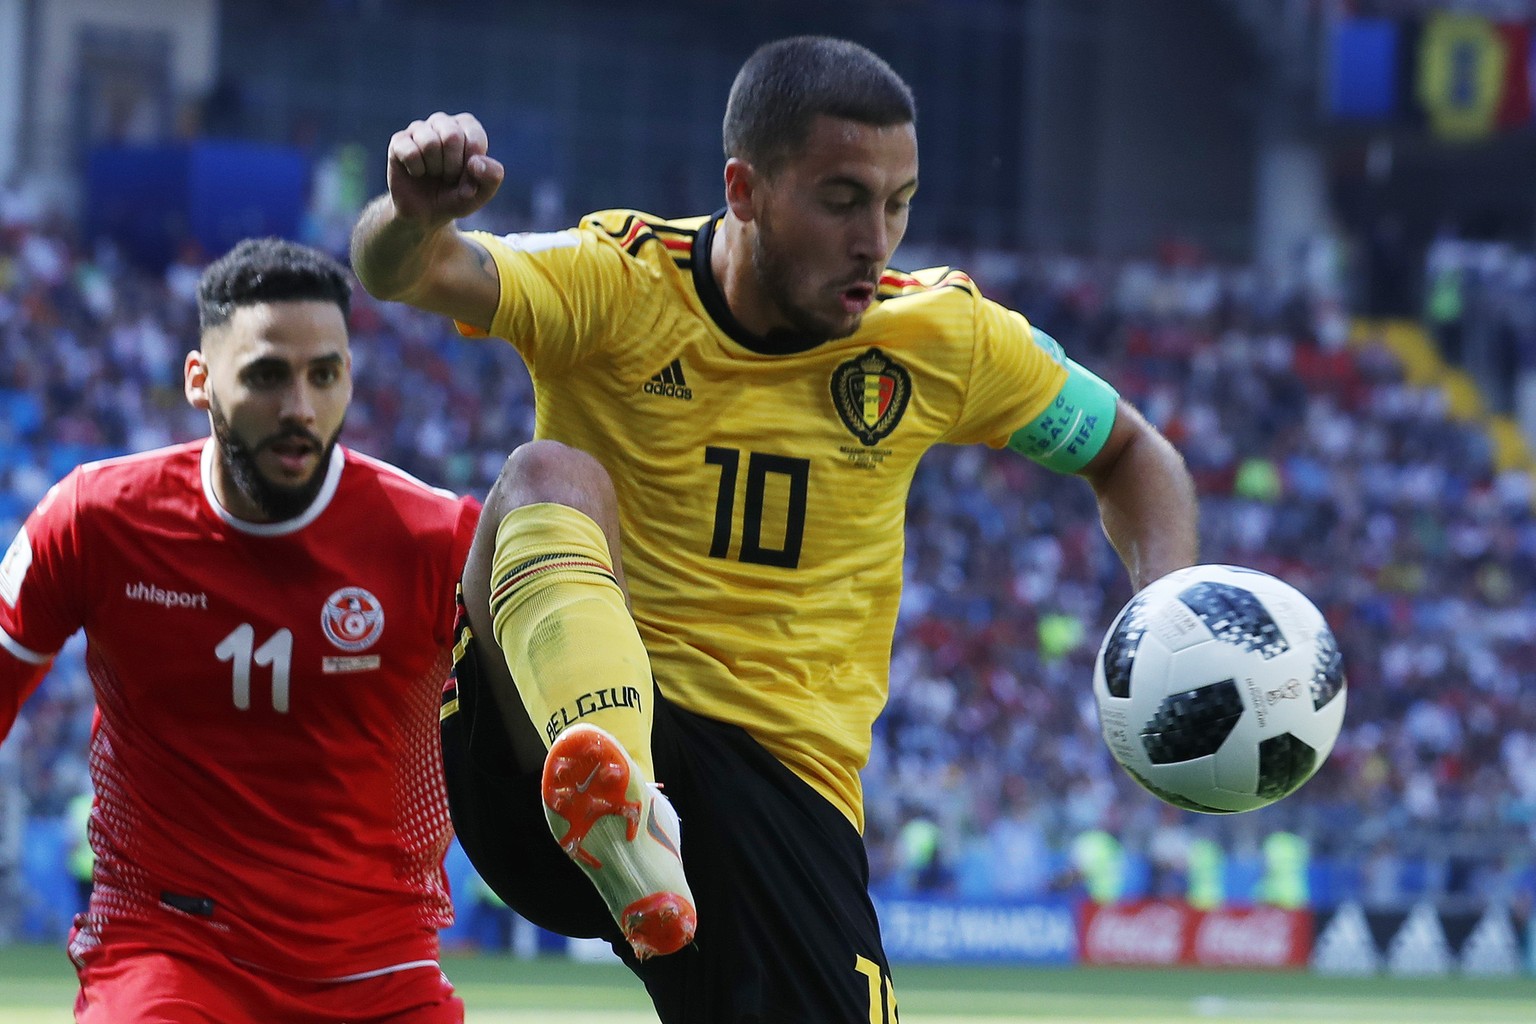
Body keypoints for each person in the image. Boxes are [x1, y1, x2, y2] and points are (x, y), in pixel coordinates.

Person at [351, 35, 1198, 1023]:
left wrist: (1167, 611)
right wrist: (411, 214)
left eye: (899, 203)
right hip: (552, 758)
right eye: (842, 199)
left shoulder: (942, 337)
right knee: (545, 477)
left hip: (781, 788)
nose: (876, 239)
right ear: (744, 190)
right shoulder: (615, 281)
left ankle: (641, 834)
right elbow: (404, 270)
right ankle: (624, 809)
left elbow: (1134, 452)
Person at [0, 238, 478, 1022]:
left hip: (379, 969)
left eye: (324, 374)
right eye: (266, 375)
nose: (300, 407)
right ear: (200, 381)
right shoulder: (95, 521)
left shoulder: (432, 541)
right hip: (168, 952)